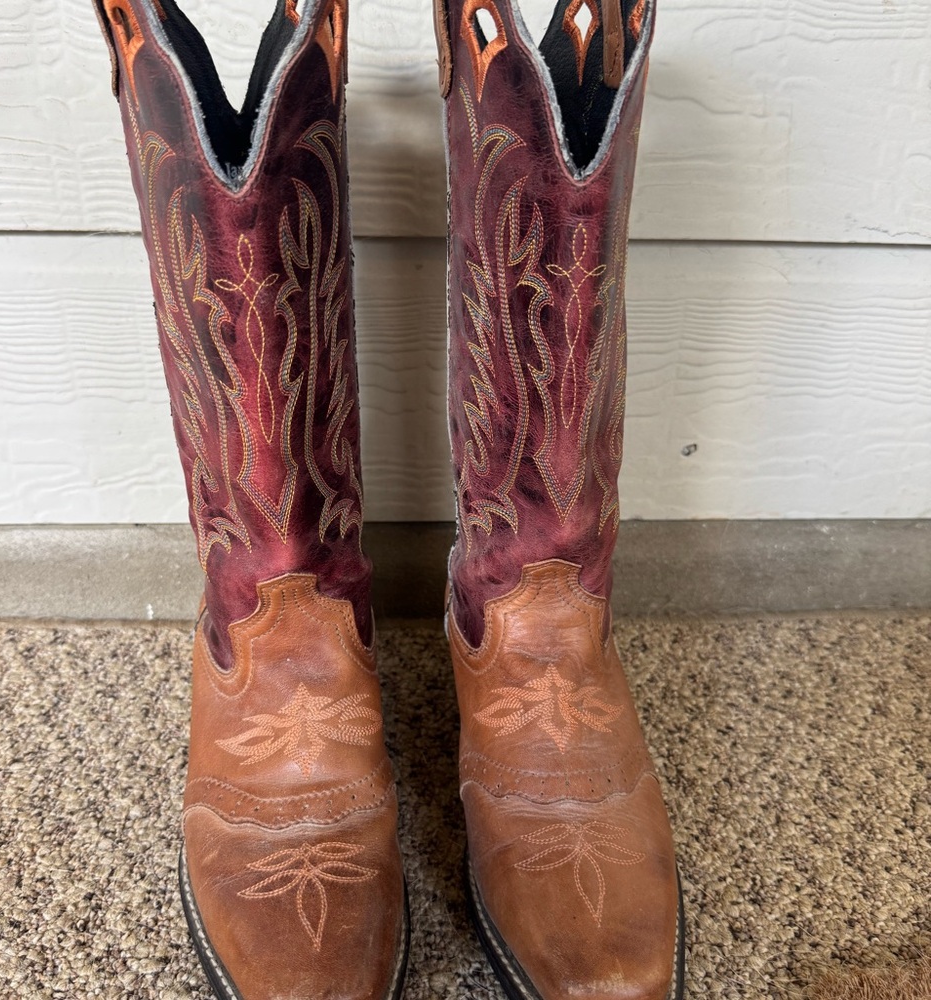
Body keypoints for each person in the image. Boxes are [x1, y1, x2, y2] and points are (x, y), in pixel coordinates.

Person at [92, 0, 682, 996]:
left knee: (563, 234)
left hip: (557, 644)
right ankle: (285, 649)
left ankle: (530, 644)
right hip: (275, 673)